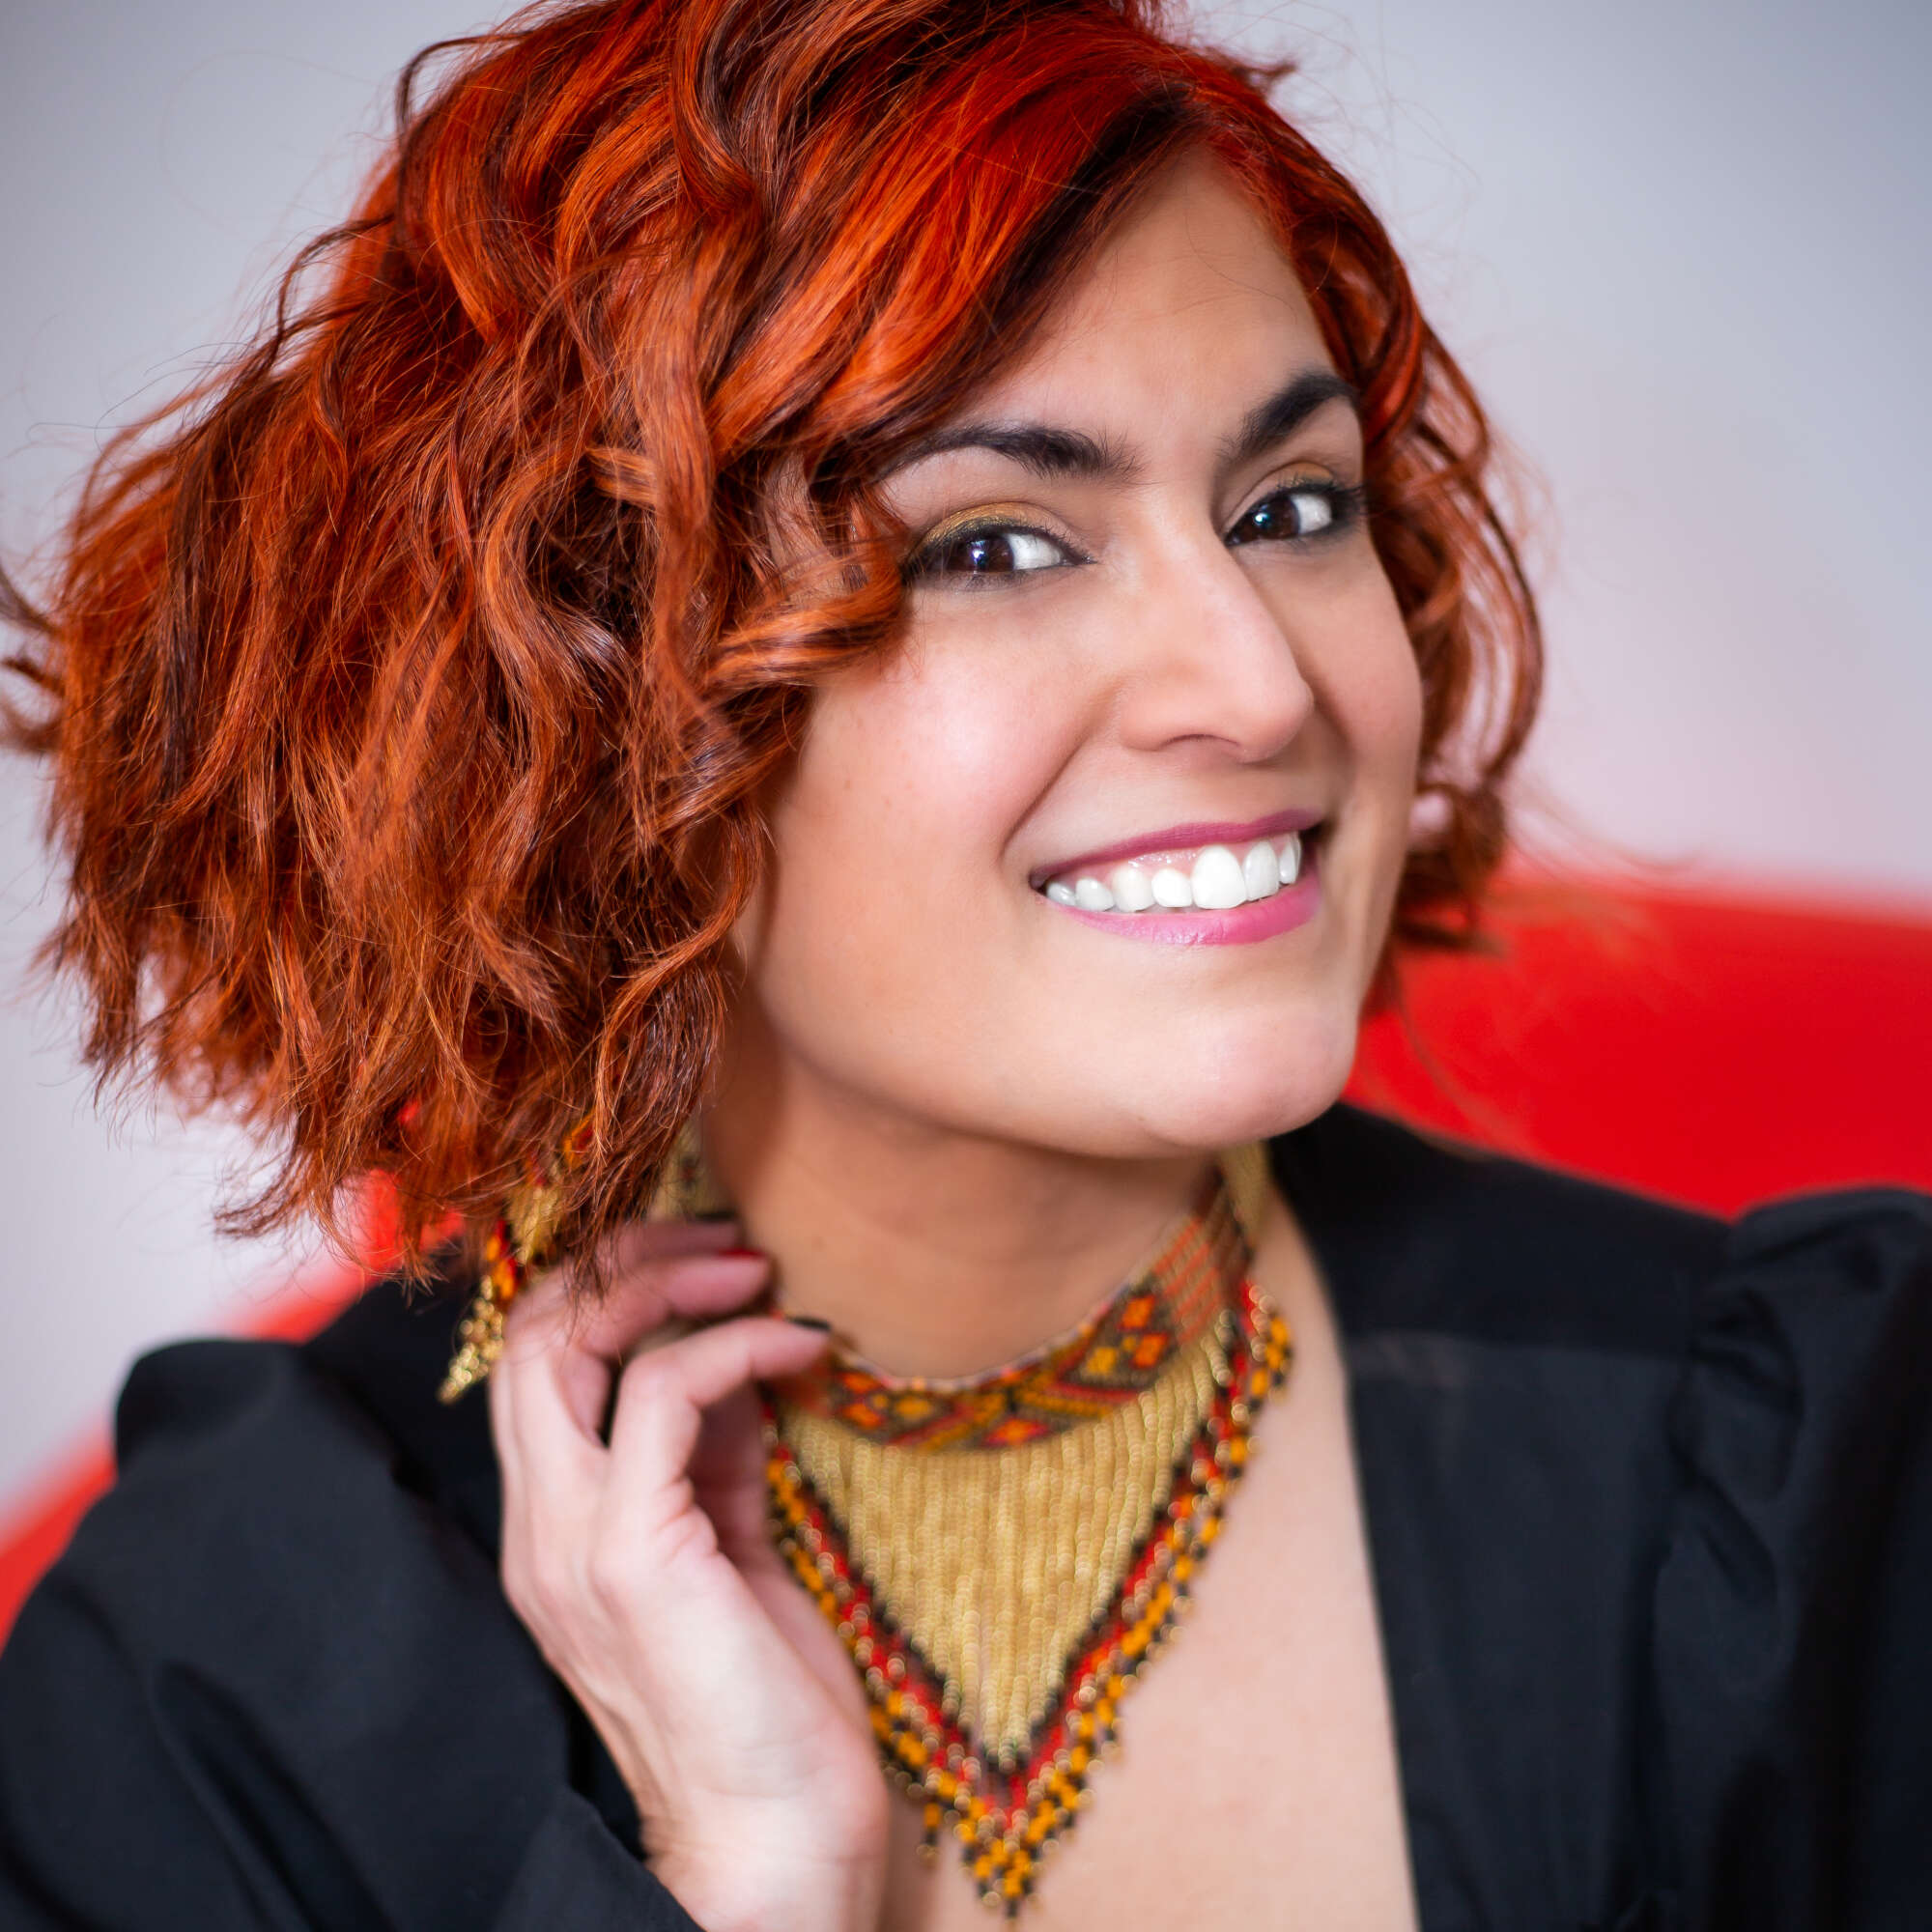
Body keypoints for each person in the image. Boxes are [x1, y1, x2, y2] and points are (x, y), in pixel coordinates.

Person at [0, 0, 1927, 1926]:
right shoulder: (223, 1679)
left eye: (1290, 508)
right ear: (573, 705)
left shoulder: (1805, 1481)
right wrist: (746, 1892)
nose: (1261, 684)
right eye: (996, 548)